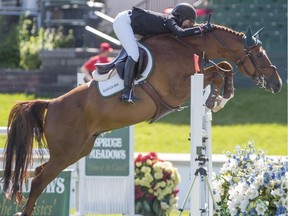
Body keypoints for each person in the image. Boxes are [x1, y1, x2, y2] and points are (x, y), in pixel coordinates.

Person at [113, 3, 213, 104]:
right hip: (124, 22)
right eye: (190, 23)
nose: (190, 26)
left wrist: (200, 28)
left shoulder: (171, 22)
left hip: (133, 25)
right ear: (182, 17)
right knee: (134, 54)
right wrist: (201, 29)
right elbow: (181, 33)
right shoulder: (170, 20)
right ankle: (126, 93)